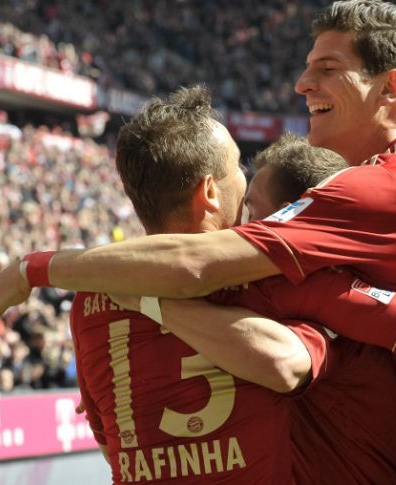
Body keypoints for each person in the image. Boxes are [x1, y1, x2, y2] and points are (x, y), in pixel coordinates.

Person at [0, 2, 396, 482]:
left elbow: (199, 263)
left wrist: (29, 271)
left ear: (391, 87)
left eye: (327, 69)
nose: (301, 85)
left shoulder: (371, 193)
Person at [71, 86, 338, 483]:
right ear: (211, 192)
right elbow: (288, 366)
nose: (245, 178)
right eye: (237, 166)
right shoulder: (261, 278)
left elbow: (113, 449)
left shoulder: (92, 295)